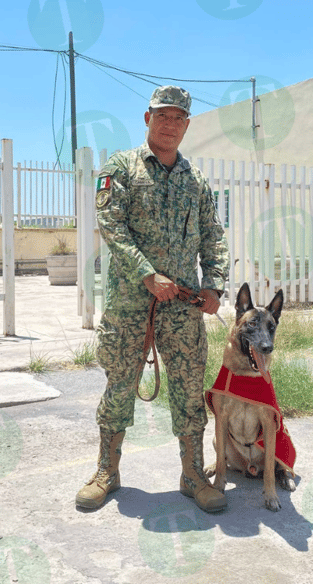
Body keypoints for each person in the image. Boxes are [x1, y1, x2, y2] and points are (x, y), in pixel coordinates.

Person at [76, 86, 230, 513]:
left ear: (186, 125)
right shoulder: (121, 168)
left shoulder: (195, 180)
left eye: (179, 117)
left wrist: (214, 284)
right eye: (163, 115)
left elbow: (213, 235)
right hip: (130, 303)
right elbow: (112, 225)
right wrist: (147, 274)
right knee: (120, 385)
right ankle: (107, 470)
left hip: (182, 308)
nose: (170, 124)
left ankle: (193, 474)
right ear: (147, 119)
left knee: (187, 388)